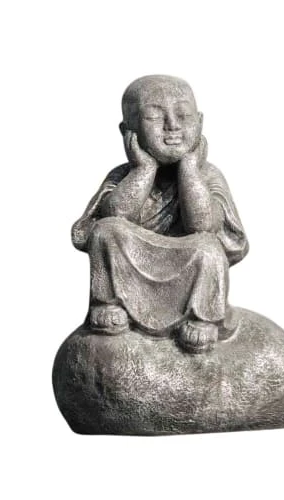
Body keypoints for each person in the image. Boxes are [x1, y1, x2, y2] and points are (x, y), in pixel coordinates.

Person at [71, 75, 248, 353]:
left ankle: (202, 319)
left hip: (186, 264)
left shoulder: (207, 175)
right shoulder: (124, 175)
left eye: (183, 115)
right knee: (106, 231)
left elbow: (203, 223)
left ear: (200, 122)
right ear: (128, 130)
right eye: (154, 116)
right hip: (131, 271)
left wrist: (189, 169)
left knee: (208, 247)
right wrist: (144, 169)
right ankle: (109, 303)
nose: (172, 125)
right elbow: (116, 213)